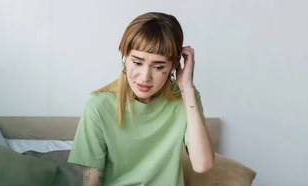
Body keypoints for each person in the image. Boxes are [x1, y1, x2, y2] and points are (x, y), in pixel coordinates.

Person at [67, 12, 215, 186]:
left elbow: (202, 165)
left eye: (158, 66)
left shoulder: (184, 98)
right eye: (137, 63)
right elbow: (91, 181)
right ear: (125, 58)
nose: (145, 77)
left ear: (175, 65)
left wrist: (187, 88)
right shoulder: (99, 106)